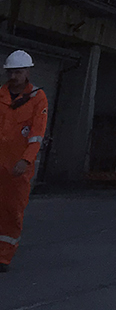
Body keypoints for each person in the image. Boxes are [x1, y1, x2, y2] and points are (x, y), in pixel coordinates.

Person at [0, 52, 46, 272]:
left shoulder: (38, 98)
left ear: (27, 72)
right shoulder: (0, 95)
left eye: (18, 72)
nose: (13, 76)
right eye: (10, 72)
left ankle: (3, 257)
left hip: (17, 167)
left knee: (12, 211)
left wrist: (26, 160)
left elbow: (37, 134)